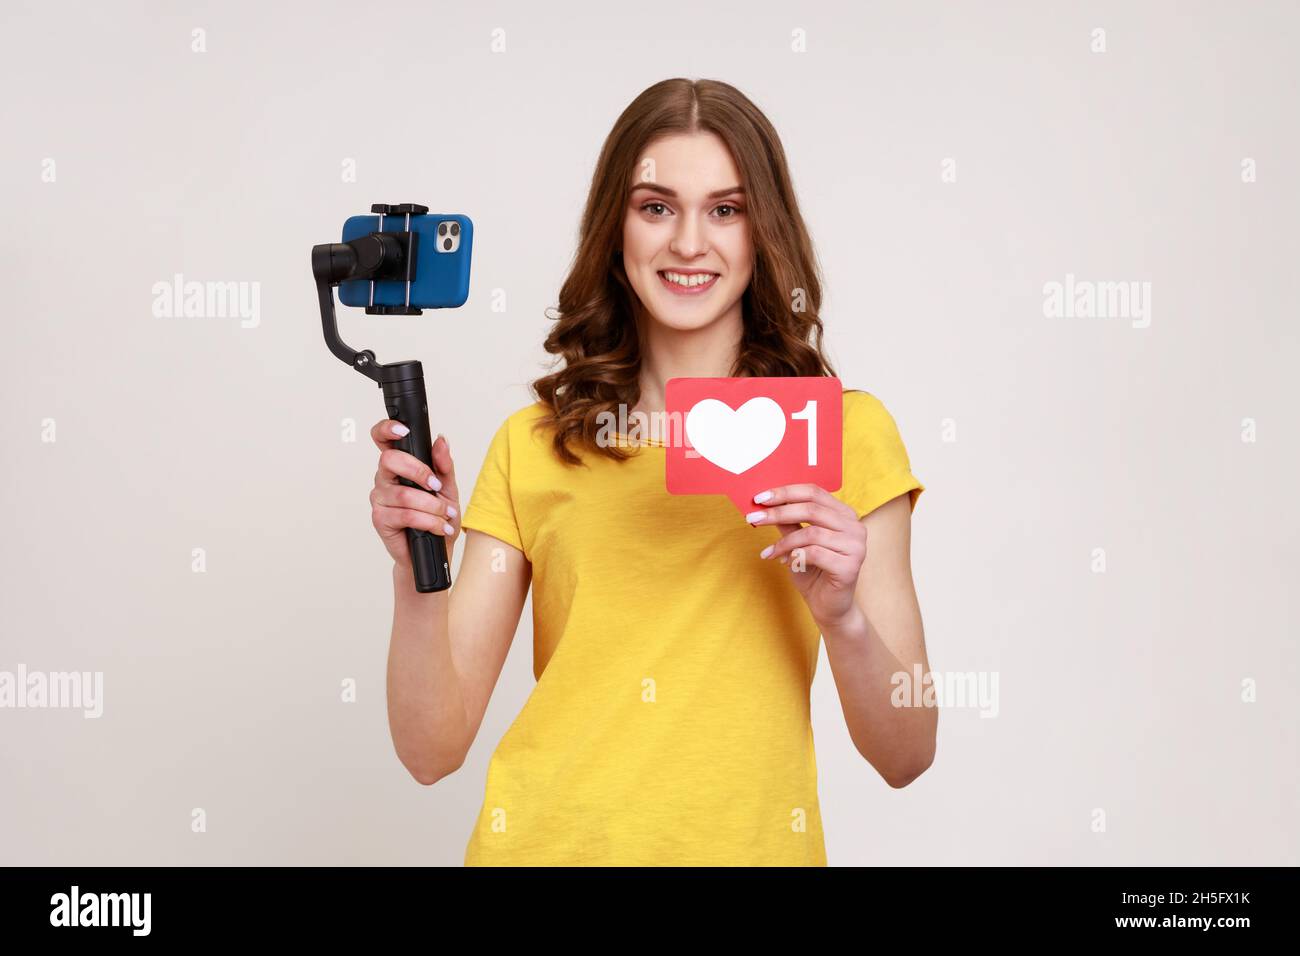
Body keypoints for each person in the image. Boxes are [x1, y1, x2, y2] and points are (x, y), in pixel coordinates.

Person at [368, 78, 935, 867]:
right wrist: (413, 575)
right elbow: (431, 750)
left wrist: (843, 619)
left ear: (763, 230)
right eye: (656, 207)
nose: (690, 243)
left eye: (726, 210)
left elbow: (906, 754)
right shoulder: (533, 445)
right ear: (616, 227)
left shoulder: (844, 435)